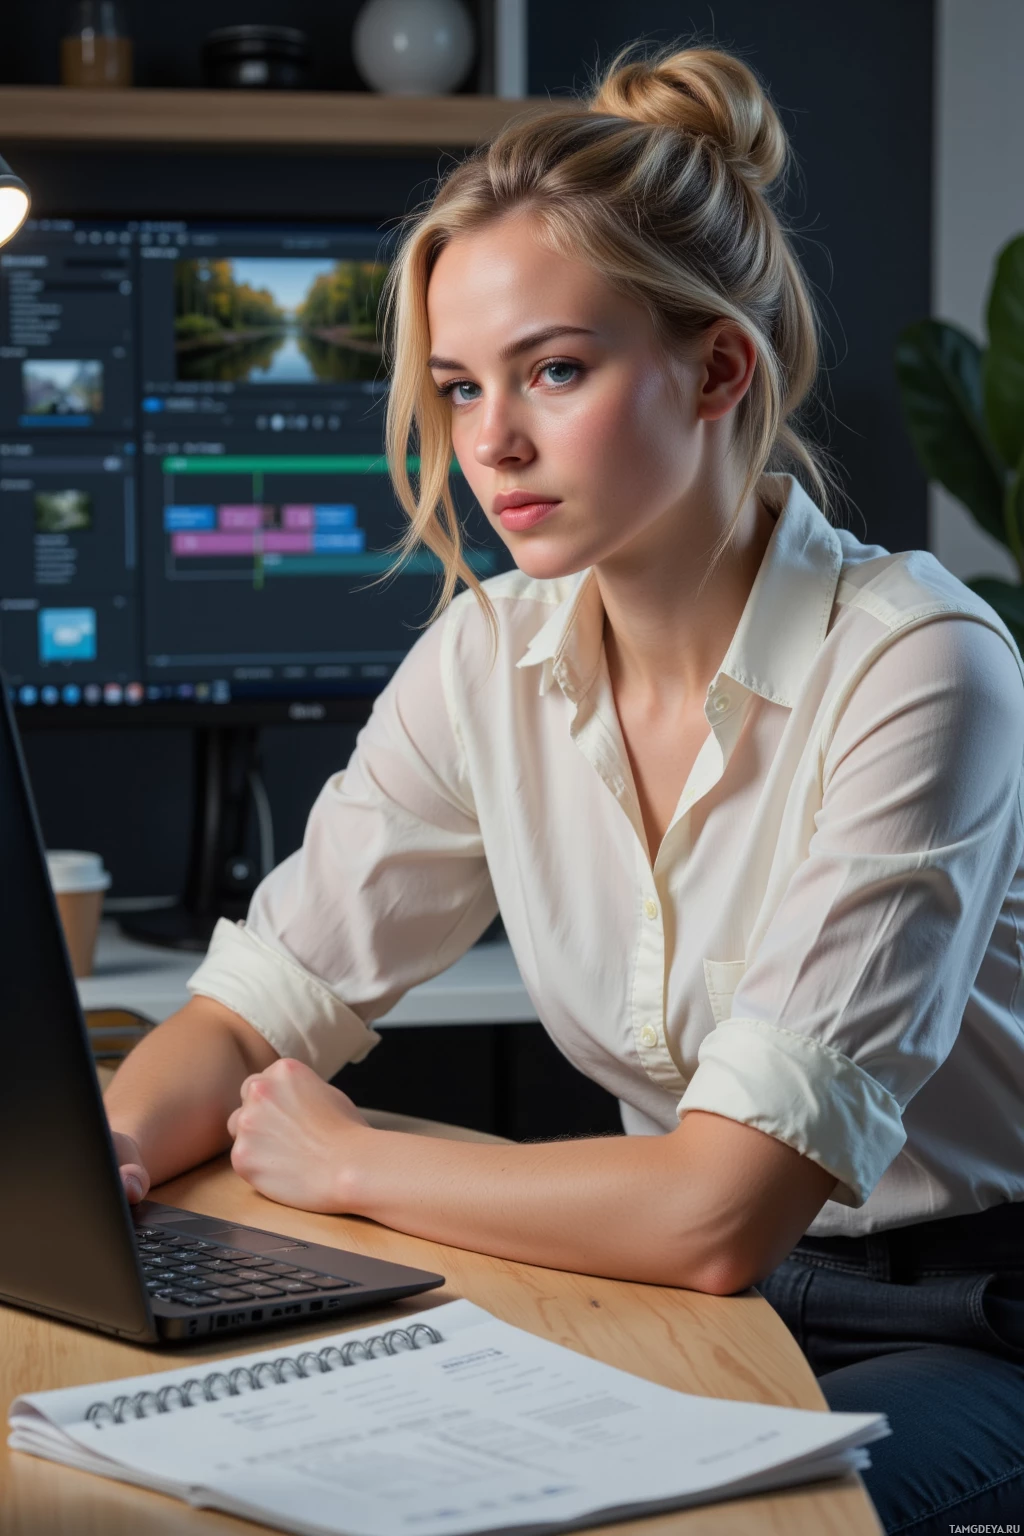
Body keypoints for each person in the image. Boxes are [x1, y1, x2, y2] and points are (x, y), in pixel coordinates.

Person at [104, 44, 1024, 1534]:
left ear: (719, 367)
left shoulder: (922, 667)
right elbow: (252, 1011)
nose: (491, 446)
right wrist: (113, 1161)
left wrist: (353, 1160)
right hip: (652, 1279)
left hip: (958, 1323)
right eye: (461, 388)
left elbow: (720, 1210)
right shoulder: (492, 654)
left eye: (555, 370)